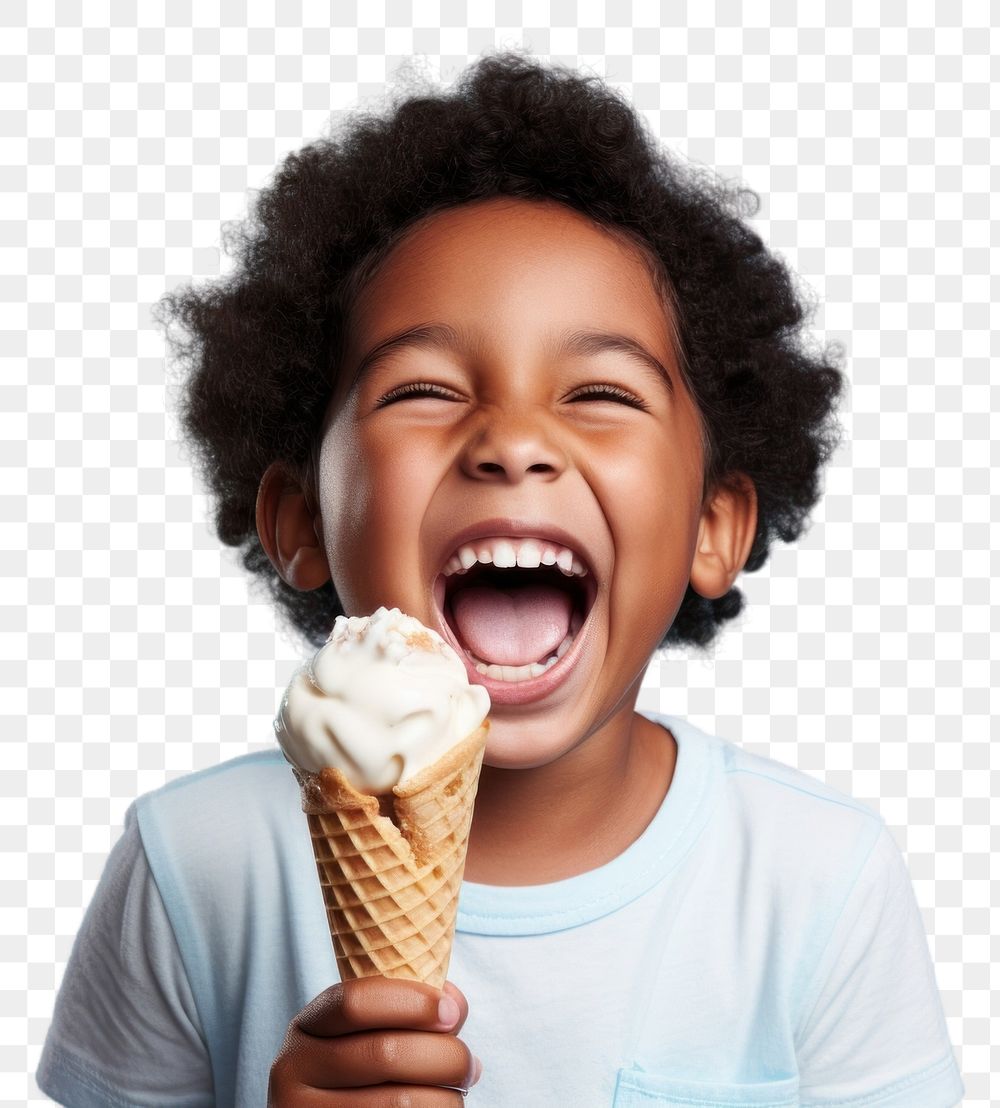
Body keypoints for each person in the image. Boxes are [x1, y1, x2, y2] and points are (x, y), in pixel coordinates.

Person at [38, 51, 963, 1107]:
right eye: (424, 388)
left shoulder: (816, 880)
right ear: (298, 518)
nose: (513, 442)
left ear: (714, 525)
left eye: (601, 393)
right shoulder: (192, 864)